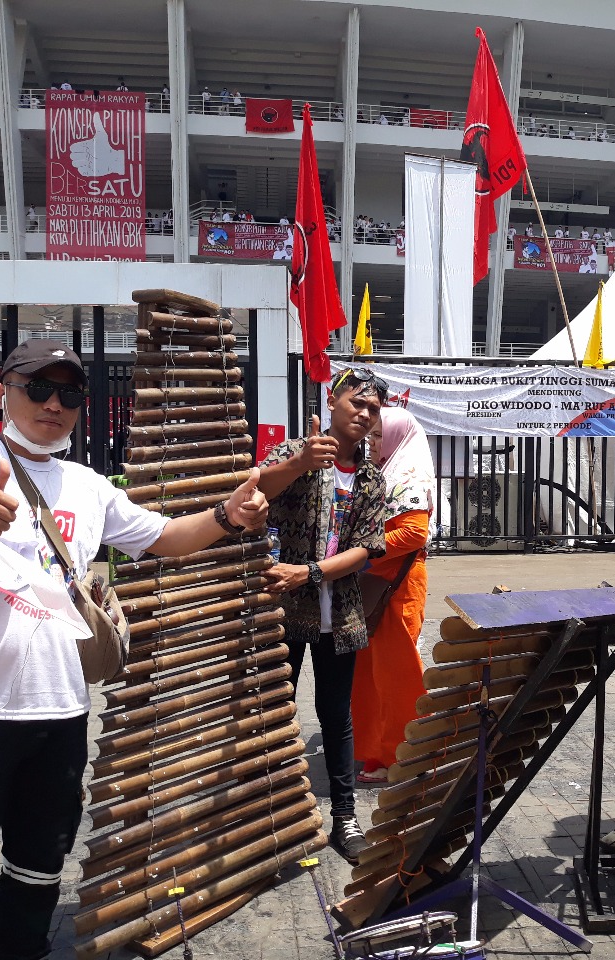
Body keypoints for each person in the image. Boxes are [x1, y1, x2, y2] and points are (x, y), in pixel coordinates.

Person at [0, 339, 268, 960]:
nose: (53, 404)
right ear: (1, 391)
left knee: (39, 865)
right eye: (38, 387)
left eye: (69, 393)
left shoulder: (86, 485)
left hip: (59, 712)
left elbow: (165, 537)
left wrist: (228, 515)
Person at [258, 368, 389, 863]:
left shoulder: (372, 478)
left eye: (373, 408)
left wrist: (309, 572)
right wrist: (299, 462)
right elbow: (256, 491)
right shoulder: (299, 452)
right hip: (285, 612)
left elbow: (366, 548)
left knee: (336, 716)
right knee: (275, 711)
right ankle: (269, 814)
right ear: (332, 402)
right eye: (357, 402)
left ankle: (345, 818)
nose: (364, 413)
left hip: (340, 615)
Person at [352, 407, 434, 785]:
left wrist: (361, 551)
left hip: (398, 587)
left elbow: (414, 534)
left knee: (395, 675)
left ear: (398, 437)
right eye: (370, 435)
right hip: (382, 584)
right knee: (375, 673)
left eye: (377, 435)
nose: (370, 442)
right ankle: (380, 752)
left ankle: (405, 756)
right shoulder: (388, 471)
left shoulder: (407, 475)